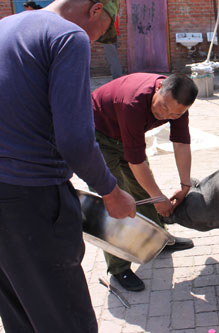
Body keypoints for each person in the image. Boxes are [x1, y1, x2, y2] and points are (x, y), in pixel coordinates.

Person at [0, 0, 136, 332]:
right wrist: (110, 190)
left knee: (21, 310)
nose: (93, 41)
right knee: (66, 320)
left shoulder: (6, 27)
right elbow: (75, 140)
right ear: (95, 9)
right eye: (100, 32)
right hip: (32, 199)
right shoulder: (68, 36)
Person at [92, 72, 198, 291]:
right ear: (158, 89)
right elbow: (136, 162)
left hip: (125, 136)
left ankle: (157, 241)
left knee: (143, 191)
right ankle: (119, 268)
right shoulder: (134, 102)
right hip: (97, 135)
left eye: (175, 113)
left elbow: (181, 143)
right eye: (163, 107)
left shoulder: (178, 107)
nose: (165, 114)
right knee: (115, 202)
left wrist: (185, 185)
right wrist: (159, 197)